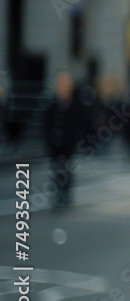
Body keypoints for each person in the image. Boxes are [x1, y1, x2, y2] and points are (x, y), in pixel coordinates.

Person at [43, 70, 85, 207]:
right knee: (56, 169)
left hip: (69, 144)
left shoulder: (76, 104)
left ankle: (66, 192)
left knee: (67, 169)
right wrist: (49, 139)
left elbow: (80, 123)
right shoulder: (52, 104)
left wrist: (76, 140)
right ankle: (58, 191)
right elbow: (46, 123)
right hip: (55, 144)